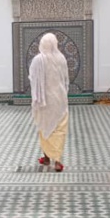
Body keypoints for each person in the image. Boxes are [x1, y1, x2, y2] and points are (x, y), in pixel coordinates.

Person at [29, 33, 70, 172]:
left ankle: (47, 157)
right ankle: (57, 161)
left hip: (44, 100)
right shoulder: (61, 58)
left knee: (45, 126)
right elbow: (66, 79)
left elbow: (33, 78)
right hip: (59, 98)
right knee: (59, 129)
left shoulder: (38, 60)